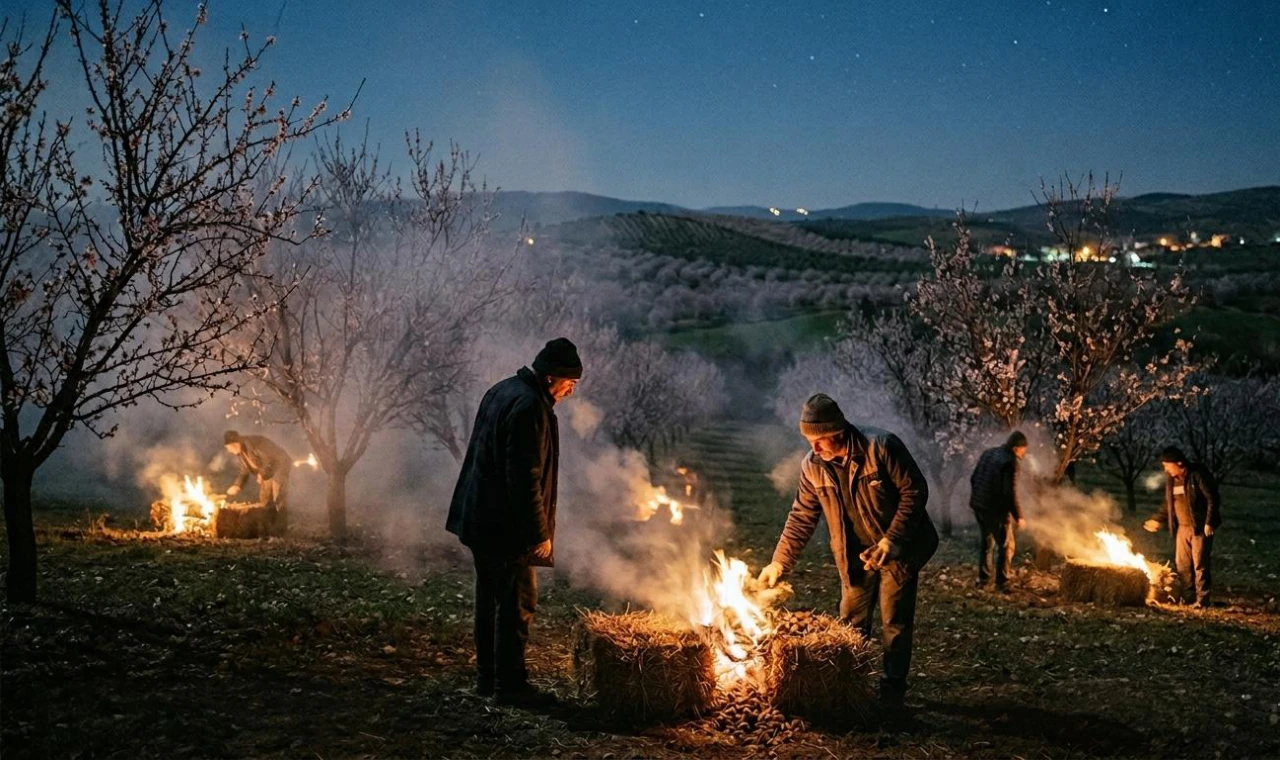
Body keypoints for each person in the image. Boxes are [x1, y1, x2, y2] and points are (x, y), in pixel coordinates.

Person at [757, 393, 938, 705]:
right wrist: (778, 563)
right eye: (808, 440)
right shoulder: (813, 466)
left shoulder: (881, 447)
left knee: (894, 621)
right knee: (850, 624)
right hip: (854, 557)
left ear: (838, 433)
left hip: (899, 548)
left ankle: (891, 693)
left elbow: (914, 491)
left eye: (820, 440)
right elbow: (802, 516)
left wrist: (891, 541)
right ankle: (849, 688)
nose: (813, 448)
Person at [446, 337, 582, 706]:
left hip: (480, 519)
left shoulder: (503, 390)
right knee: (516, 605)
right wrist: (539, 534)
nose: (571, 391)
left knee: (489, 601)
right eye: (570, 382)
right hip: (503, 529)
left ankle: (488, 680)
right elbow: (523, 479)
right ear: (552, 376)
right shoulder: (529, 408)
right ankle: (511, 686)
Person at [1144, 446, 1220, 608]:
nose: (1166, 469)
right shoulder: (1172, 481)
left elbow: (1212, 497)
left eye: (1167, 465)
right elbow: (1169, 504)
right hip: (1182, 528)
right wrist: (1158, 519)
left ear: (1179, 463)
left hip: (1199, 527)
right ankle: (1188, 597)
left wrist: (1209, 522)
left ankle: (1202, 600)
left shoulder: (1196, 474)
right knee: (1182, 564)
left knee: (1200, 564)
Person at [969, 431, 1028, 592]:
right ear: (1016, 448)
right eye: (1024, 449)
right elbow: (1009, 493)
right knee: (1007, 545)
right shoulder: (1010, 462)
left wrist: (979, 499)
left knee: (987, 543)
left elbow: (974, 478)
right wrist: (1019, 516)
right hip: (995, 511)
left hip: (979, 506)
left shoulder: (989, 453)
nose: (1025, 453)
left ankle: (984, 580)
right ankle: (1003, 583)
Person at [223, 430, 292, 533]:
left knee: (278, 495)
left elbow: (269, 461)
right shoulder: (241, 453)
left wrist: (262, 474)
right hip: (267, 470)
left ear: (234, 444)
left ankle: (281, 528)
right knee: (264, 499)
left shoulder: (255, 444)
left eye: (228, 448)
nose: (229, 451)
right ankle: (266, 527)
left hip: (280, 465)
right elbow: (244, 471)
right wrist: (237, 485)